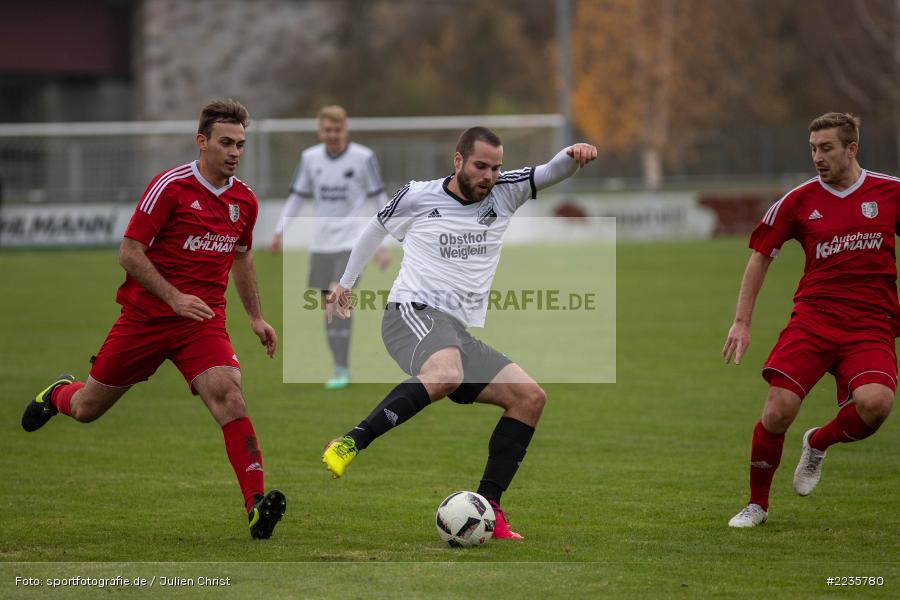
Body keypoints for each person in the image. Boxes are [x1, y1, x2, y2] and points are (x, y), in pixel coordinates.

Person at [21, 99, 287, 539]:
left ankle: (256, 506)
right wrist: (174, 297)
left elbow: (242, 258)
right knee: (88, 409)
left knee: (230, 396)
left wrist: (256, 317)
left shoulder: (245, 200)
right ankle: (59, 395)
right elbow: (129, 253)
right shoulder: (170, 186)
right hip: (144, 319)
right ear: (201, 142)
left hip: (201, 324)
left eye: (241, 144)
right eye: (226, 142)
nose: (235, 151)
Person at [320, 126, 597, 539]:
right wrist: (345, 282)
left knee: (529, 398)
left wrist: (573, 155)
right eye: (481, 166)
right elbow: (375, 228)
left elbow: (550, 171)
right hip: (409, 313)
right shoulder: (418, 194)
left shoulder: (506, 190)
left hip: (453, 330)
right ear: (458, 161)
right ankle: (350, 442)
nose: (489, 175)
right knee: (446, 374)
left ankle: (491, 509)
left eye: (495, 167)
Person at [723, 112, 897, 528]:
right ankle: (757, 506)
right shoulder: (798, 201)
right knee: (778, 410)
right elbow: (760, 257)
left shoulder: (889, 192)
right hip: (814, 321)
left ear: (851, 148)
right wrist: (742, 322)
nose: (817, 157)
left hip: (870, 323)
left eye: (827, 148)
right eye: (813, 149)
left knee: (876, 406)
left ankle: (818, 442)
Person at [270, 105, 391, 390]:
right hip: (322, 244)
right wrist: (279, 232)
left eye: (337, 130)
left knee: (337, 299)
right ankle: (340, 366)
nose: (333, 135)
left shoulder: (364, 157)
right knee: (329, 307)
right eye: (328, 130)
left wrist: (383, 244)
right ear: (319, 131)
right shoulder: (309, 158)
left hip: (353, 242)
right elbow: (297, 197)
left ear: (345, 130)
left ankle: (342, 369)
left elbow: (379, 198)